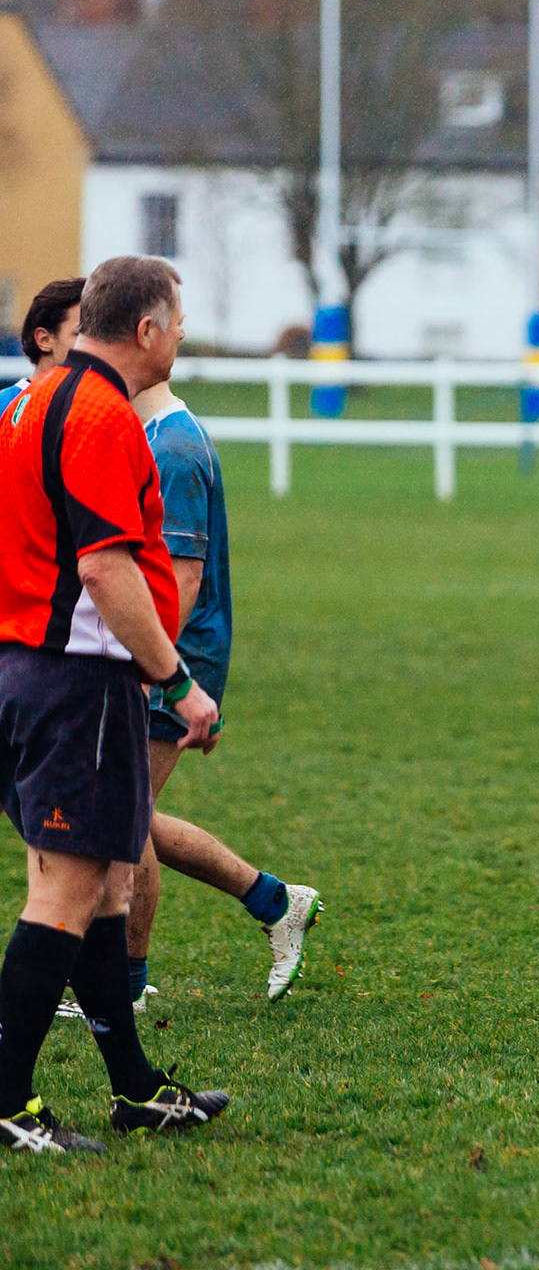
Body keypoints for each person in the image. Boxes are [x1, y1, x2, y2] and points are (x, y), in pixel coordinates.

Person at [0, 256, 230, 1153]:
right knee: (66, 891)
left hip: (38, 671)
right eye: (178, 322)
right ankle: (9, 1105)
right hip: (77, 682)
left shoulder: (34, 401)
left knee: (102, 889)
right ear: (146, 330)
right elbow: (104, 567)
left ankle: (134, 1088)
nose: (182, 338)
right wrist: (177, 680)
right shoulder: (100, 415)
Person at [122, 380, 321, 1003]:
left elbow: (180, 583)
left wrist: (156, 671)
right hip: (160, 655)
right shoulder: (150, 435)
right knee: (127, 816)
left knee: (125, 820)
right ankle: (274, 901)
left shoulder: (174, 448)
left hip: (171, 658)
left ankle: (123, 987)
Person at [0, 277, 85, 417]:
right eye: (81, 334)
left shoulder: (100, 407)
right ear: (44, 339)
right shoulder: (4, 406)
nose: (92, 345)